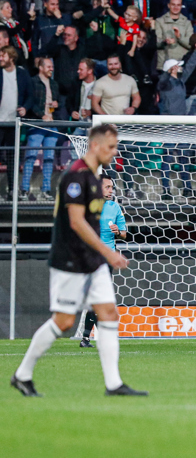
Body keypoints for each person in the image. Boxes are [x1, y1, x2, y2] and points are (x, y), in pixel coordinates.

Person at [11, 124, 146, 398]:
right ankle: (22, 375)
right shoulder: (76, 177)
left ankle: (114, 384)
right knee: (62, 323)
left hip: (92, 260)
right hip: (71, 260)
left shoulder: (96, 179)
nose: (114, 151)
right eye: (110, 146)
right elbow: (76, 222)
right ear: (95, 146)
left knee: (109, 314)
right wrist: (108, 252)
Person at [80, 173, 128, 348]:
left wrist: (117, 231)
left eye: (112, 187)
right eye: (107, 187)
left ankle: (87, 338)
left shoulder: (114, 208)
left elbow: (124, 233)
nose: (110, 190)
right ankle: (96, 338)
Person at [21, 58, 60, 202]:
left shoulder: (54, 84)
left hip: (51, 124)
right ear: (41, 68)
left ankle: (46, 190)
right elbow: (30, 102)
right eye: (49, 66)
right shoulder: (32, 82)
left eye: (52, 66)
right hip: (37, 124)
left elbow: (58, 102)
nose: (52, 69)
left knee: (49, 158)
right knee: (31, 156)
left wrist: (57, 103)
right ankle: (24, 189)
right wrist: (41, 115)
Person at [0, 46, 31, 201]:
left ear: (11, 57)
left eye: (2, 56)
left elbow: (30, 95)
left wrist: (25, 107)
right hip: (0, 122)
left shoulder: (22, 74)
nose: (0, 58)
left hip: (14, 123)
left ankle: (12, 190)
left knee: (13, 158)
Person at [154, 0, 193, 71]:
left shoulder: (187, 23)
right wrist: (165, 41)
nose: (176, 7)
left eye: (178, 5)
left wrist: (179, 37)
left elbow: (191, 45)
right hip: (164, 64)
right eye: (173, 4)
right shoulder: (159, 21)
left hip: (182, 64)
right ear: (168, 5)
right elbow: (156, 43)